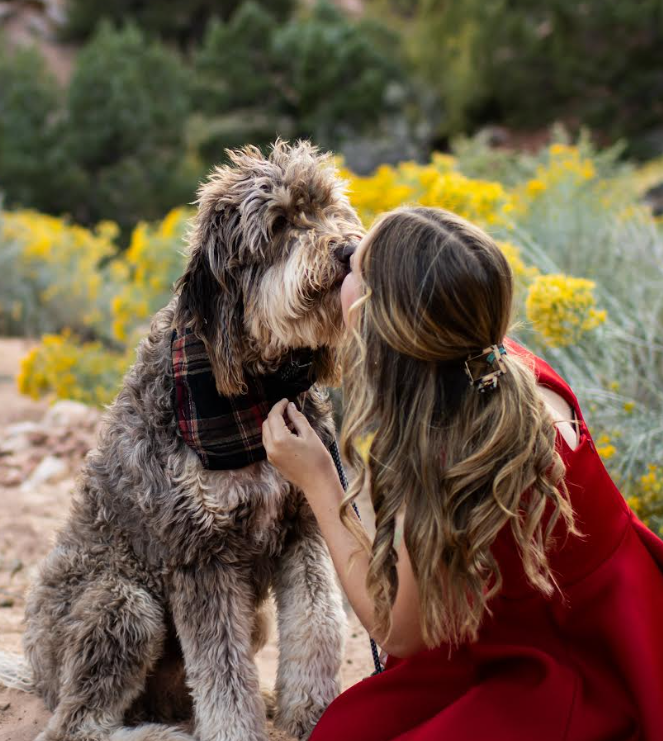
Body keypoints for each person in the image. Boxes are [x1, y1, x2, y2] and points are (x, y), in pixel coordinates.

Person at [261, 206, 663, 741]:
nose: (344, 255)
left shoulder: (438, 453)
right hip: (631, 619)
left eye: (356, 264)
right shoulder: (504, 368)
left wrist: (318, 479)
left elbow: (397, 633)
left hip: (565, 665)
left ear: (376, 318)